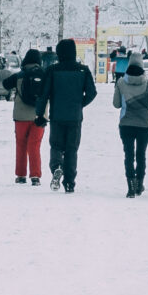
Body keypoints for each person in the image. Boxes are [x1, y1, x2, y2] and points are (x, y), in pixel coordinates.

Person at [43, 37, 98, 192]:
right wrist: (80, 104)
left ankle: (56, 167)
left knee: (56, 145)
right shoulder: (83, 70)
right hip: (74, 116)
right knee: (72, 149)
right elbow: (92, 93)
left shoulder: (52, 70)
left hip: (57, 116)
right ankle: (69, 183)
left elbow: (44, 94)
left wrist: (40, 113)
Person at [112, 54, 148, 196]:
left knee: (129, 155)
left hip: (126, 123)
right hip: (144, 124)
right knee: (141, 154)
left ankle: (131, 186)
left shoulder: (120, 82)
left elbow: (116, 104)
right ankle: (139, 184)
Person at [11, 50, 49, 186]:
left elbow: (5, 84)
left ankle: (21, 175)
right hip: (39, 116)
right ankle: (35, 176)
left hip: (20, 116)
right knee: (35, 145)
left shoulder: (19, 75)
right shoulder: (45, 75)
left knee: (21, 145)